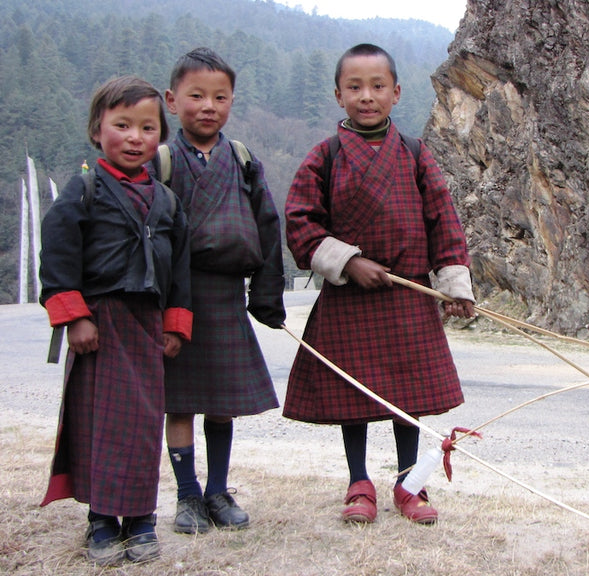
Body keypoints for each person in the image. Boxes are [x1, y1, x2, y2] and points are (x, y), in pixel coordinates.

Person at [283, 43, 475, 525]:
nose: (366, 96)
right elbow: (300, 223)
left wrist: (454, 285)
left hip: (408, 292)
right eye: (355, 87)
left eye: (377, 87)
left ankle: (410, 483)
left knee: (406, 398)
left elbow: (443, 221)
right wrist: (348, 262)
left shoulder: (414, 154)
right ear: (337, 94)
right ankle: (358, 483)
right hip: (349, 296)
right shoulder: (323, 157)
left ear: (396, 92)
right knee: (355, 395)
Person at [39, 75, 192, 565]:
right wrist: (75, 318)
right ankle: (102, 522)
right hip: (98, 327)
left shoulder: (167, 201)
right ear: (97, 129)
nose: (134, 137)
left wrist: (174, 324)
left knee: (144, 425)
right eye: (122, 125)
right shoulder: (83, 190)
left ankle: (142, 521)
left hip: (147, 327)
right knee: (98, 425)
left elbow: (180, 269)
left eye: (148, 127)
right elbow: (58, 258)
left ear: (160, 136)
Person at [155, 47, 286, 535]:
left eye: (220, 97)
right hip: (180, 295)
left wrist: (266, 294)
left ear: (231, 102)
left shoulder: (242, 159)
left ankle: (218, 490)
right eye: (196, 96)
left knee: (222, 400)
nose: (208, 106)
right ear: (172, 100)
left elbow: (267, 224)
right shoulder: (162, 160)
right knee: (180, 401)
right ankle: (187, 495)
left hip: (228, 292)